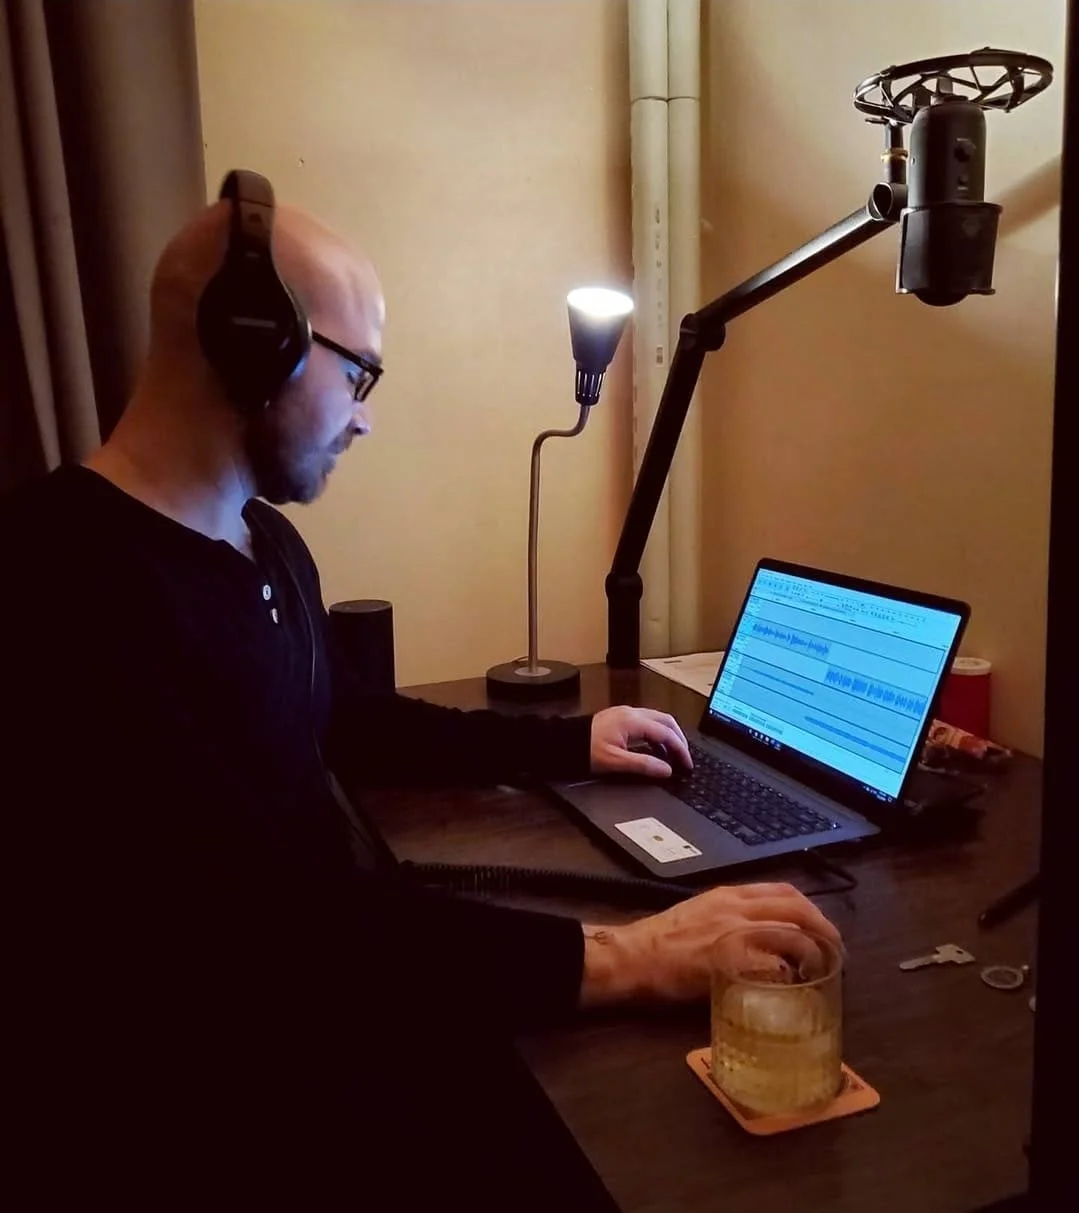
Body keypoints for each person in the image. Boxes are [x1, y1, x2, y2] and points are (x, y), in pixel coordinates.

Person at [3, 183, 840, 1206]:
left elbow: (345, 718)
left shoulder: (263, 543)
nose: (365, 419)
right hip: (204, 1100)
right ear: (257, 339)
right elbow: (260, 934)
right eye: (360, 373)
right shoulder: (59, 582)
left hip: (326, 995)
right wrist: (626, 956)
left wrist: (568, 743)